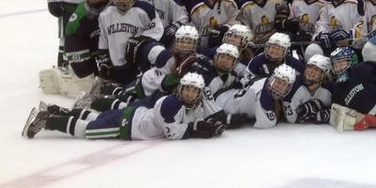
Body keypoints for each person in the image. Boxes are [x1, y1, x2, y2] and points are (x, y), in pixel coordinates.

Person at [22, 72, 226, 140]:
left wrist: (209, 124)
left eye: (193, 91)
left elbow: (193, 119)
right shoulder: (172, 103)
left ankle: (57, 110)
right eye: (186, 89)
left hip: (136, 116)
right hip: (130, 126)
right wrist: (197, 129)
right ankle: (47, 121)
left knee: (96, 118)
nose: (189, 93)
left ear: (199, 93)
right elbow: (172, 134)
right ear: (180, 89)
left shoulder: (191, 105)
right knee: (89, 129)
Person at [97, 0, 163, 82]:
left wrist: (141, 40)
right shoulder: (105, 14)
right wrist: (104, 58)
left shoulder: (145, 10)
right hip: (115, 64)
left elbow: (157, 30)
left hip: (137, 63)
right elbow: (103, 38)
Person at [284, 55, 333, 124]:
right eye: (309, 67)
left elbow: (337, 110)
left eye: (316, 69)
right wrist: (307, 114)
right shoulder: (295, 86)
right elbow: (290, 119)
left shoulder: (328, 89)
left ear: (324, 74)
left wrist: (328, 112)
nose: (311, 71)